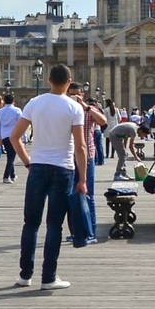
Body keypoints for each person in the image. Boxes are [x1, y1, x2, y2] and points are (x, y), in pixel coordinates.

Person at [10, 64, 87, 291]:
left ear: (48, 80)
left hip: (38, 167)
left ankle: (25, 275)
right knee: (55, 225)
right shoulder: (74, 107)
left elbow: (15, 137)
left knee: (30, 223)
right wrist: (82, 179)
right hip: (63, 168)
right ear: (69, 81)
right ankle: (48, 277)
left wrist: (27, 162)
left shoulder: (35, 103)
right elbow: (80, 147)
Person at [67, 83, 108, 247]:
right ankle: (75, 232)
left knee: (88, 195)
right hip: (69, 157)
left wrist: (85, 107)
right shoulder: (66, 110)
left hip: (87, 156)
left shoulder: (88, 110)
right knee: (71, 196)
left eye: (77, 94)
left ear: (82, 94)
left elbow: (103, 121)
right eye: (71, 95)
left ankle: (91, 232)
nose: (75, 97)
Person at [107, 114, 144, 180]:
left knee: (125, 154)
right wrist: (136, 157)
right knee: (122, 155)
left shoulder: (134, 127)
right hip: (115, 136)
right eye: (144, 134)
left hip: (117, 135)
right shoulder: (134, 131)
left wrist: (124, 148)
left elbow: (125, 137)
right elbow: (131, 146)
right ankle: (117, 174)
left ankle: (123, 174)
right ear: (141, 131)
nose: (142, 136)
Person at [0, 94, 24, 184]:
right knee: (11, 157)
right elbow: (21, 124)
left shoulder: (0, 111)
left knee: (10, 155)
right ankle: (6, 177)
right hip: (14, 136)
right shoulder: (17, 110)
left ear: (4, 101)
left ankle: (12, 175)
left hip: (5, 136)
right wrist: (22, 136)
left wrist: (0, 137)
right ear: (13, 101)